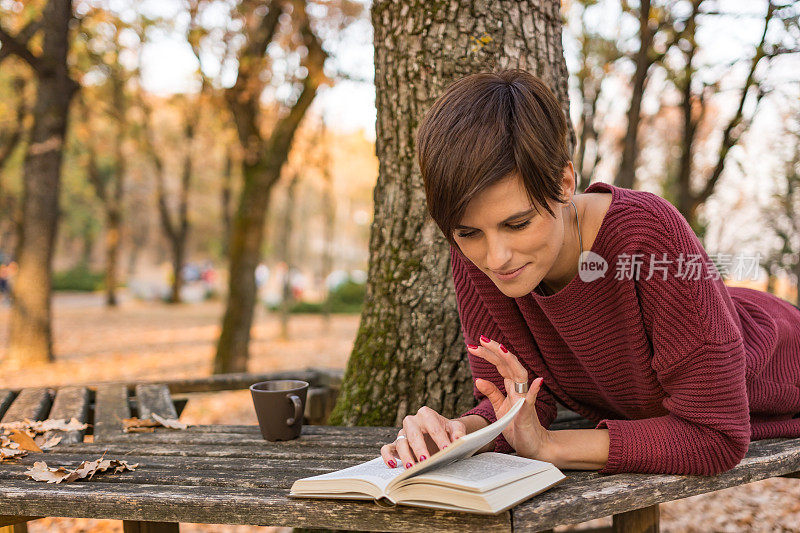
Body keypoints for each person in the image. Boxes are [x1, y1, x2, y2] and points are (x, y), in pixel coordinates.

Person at [379, 69, 800, 476]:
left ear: (565, 182)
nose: (495, 258)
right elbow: (519, 401)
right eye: (469, 232)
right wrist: (457, 435)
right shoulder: (474, 256)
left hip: (781, 362)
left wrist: (550, 447)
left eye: (518, 223)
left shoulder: (650, 235)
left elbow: (715, 436)